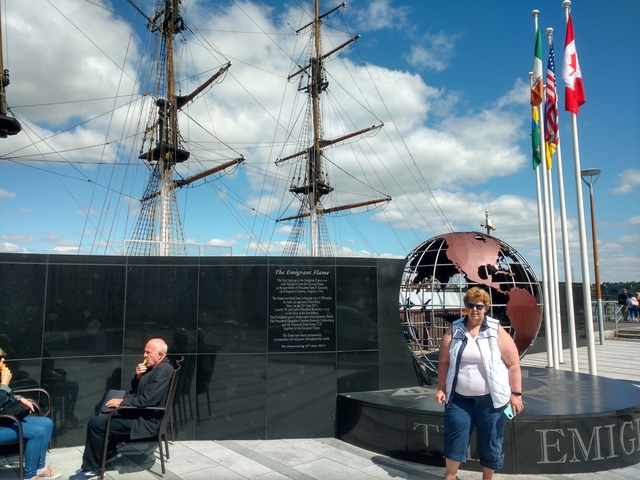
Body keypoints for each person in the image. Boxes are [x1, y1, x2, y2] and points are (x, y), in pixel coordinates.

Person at [434, 287, 523, 480]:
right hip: (459, 398)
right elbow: (443, 361)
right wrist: (441, 388)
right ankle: (450, 475)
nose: (475, 309)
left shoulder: (495, 329)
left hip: (490, 399)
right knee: (455, 436)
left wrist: (516, 394)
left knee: (490, 439)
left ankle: (487, 478)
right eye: (470, 305)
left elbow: (513, 363)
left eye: (479, 306)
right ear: (465, 306)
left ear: (486, 307)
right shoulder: (455, 328)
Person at [69, 338, 173, 480]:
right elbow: (140, 390)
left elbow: (147, 400)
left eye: (148, 352)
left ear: (160, 355)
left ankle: (92, 469)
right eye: (144, 352)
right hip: (141, 413)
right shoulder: (157, 367)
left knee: (95, 424)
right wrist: (138, 376)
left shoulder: (163, 371)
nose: (144, 355)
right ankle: (110, 451)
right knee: (100, 409)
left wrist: (122, 402)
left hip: (145, 420)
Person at [0, 349, 61, 480]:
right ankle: (29, 475)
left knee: (46, 423)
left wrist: (18, 397)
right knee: (37, 432)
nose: (3, 360)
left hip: (4, 420)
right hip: (2, 423)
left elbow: (4, 395)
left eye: (3, 357)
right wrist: (4, 384)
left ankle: (40, 468)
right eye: (0, 358)